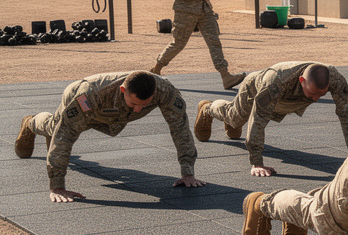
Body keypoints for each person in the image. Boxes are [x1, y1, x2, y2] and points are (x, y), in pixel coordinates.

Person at [14, 70, 205, 202]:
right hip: (89, 104)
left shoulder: (165, 91)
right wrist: (57, 186)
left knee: (58, 131)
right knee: (55, 127)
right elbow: (66, 133)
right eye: (134, 103)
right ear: (123, 91)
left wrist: (187, 172)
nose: (139, 109)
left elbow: (179, 127)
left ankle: (47, 132)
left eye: (144, 105)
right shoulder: (90, 95)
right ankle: (30, 123)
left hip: (115, 117)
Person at [194, 61, 348, 177]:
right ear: (302, 80)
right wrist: (257, 162)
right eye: (312, 94)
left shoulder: (335, 79)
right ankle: (207, 108)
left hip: (285, 99)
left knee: (237, 121)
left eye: (321, 94)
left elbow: (346, 115)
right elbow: (259, 119)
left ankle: (232, 123)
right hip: (254, 89)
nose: (316, 99)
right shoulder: (276, 81)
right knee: (235, 118)